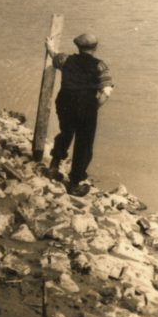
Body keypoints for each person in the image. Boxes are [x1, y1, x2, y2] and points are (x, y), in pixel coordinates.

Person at [44, 33, 115, 196]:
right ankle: (74, 183)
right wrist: (94, 108)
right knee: (84, 143)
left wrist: (49, 46)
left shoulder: (66, 60)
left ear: (78, 47)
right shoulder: (100, 66)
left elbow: (54, 56)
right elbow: (106, 92)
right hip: (86, 107)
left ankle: (54, 166)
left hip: (65, 103)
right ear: (95, 48)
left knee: (66, 133)